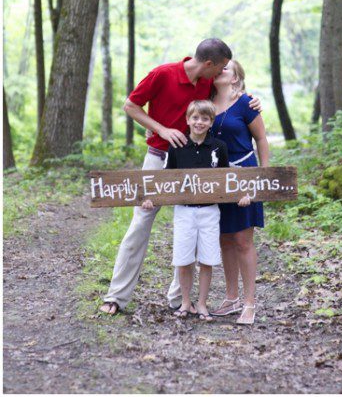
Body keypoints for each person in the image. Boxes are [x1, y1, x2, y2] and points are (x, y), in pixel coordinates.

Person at [98, 38, 261, 315]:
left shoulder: (207, 83)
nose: (221, 73)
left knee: (188, 223)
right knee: (140, 223)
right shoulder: (163, 74)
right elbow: (130, 106)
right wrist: (160, 129)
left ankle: (179, 298)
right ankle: (116, 296)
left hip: (193, 164)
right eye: (220, 68)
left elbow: (225, 101)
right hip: (159, 158)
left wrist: (252, 100)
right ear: (209, 64)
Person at [141, 100, 229, 321]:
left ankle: (202, 304)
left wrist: (241, 196)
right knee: (184, 258)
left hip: (210, 212)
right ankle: (186, 302)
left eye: (205, 119)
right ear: (188, 120)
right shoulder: (177, 146)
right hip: (184, 212)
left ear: (211, 122)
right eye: (195, 118)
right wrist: (152, 198)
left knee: (207, 259)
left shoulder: (219, 147)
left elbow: (227, 181)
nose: (199, 122)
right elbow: (166, 181)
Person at [207, 60, 269, 326]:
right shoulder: (205, 102)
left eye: (226, 67)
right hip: (216, 179)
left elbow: (262, 139)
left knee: (243, 241)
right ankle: (231, 298)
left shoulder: (246, 103)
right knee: (225, 240)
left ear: (235, 78)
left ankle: (249, 303)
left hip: (245, 174)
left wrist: (264, 177)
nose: (220, 69)